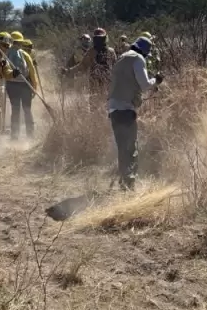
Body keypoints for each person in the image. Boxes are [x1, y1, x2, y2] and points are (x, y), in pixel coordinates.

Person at [107, 36, 163, 189]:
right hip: (126, 108)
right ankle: (129, 182)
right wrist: (156, 81)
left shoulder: (121, 58)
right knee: (131, 146)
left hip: (113, 108)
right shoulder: (138, 59)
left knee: (121, 146)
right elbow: (145, 85)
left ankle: (123, 179)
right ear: (144, 51)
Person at [63, 27, 117, 109]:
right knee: (97, 105)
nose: (99, 41)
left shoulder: (109, 51)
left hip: (105, 83)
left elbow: (116, 67)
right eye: (98, 39)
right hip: (97, 83)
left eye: (100, 39)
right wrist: (68, 71)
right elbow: (82, 66)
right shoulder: (93, 52)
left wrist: (68, 71)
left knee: (103, 105)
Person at [5, 31, 40, 139]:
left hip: (11, 85)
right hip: (25, 85)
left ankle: (14, 136)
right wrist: (34, 87)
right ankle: (30, 134)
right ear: (20, 42)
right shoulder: (25, 54)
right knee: (27, 110)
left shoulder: (5, 53)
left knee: (15, 109)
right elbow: (32, 72)